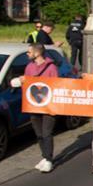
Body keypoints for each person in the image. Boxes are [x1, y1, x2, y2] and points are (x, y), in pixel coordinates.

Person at [13, 43, 59, 173]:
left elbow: (56, 85)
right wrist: (22, 82)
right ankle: (44, 156)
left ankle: (49, 159)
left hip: (48, 106)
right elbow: (27, 87)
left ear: (37, 53)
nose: (27, 54)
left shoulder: (51, 68)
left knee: (47, 133)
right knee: (39, 134)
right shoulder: (29, 67)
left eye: (29, 52)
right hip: (34, 106)